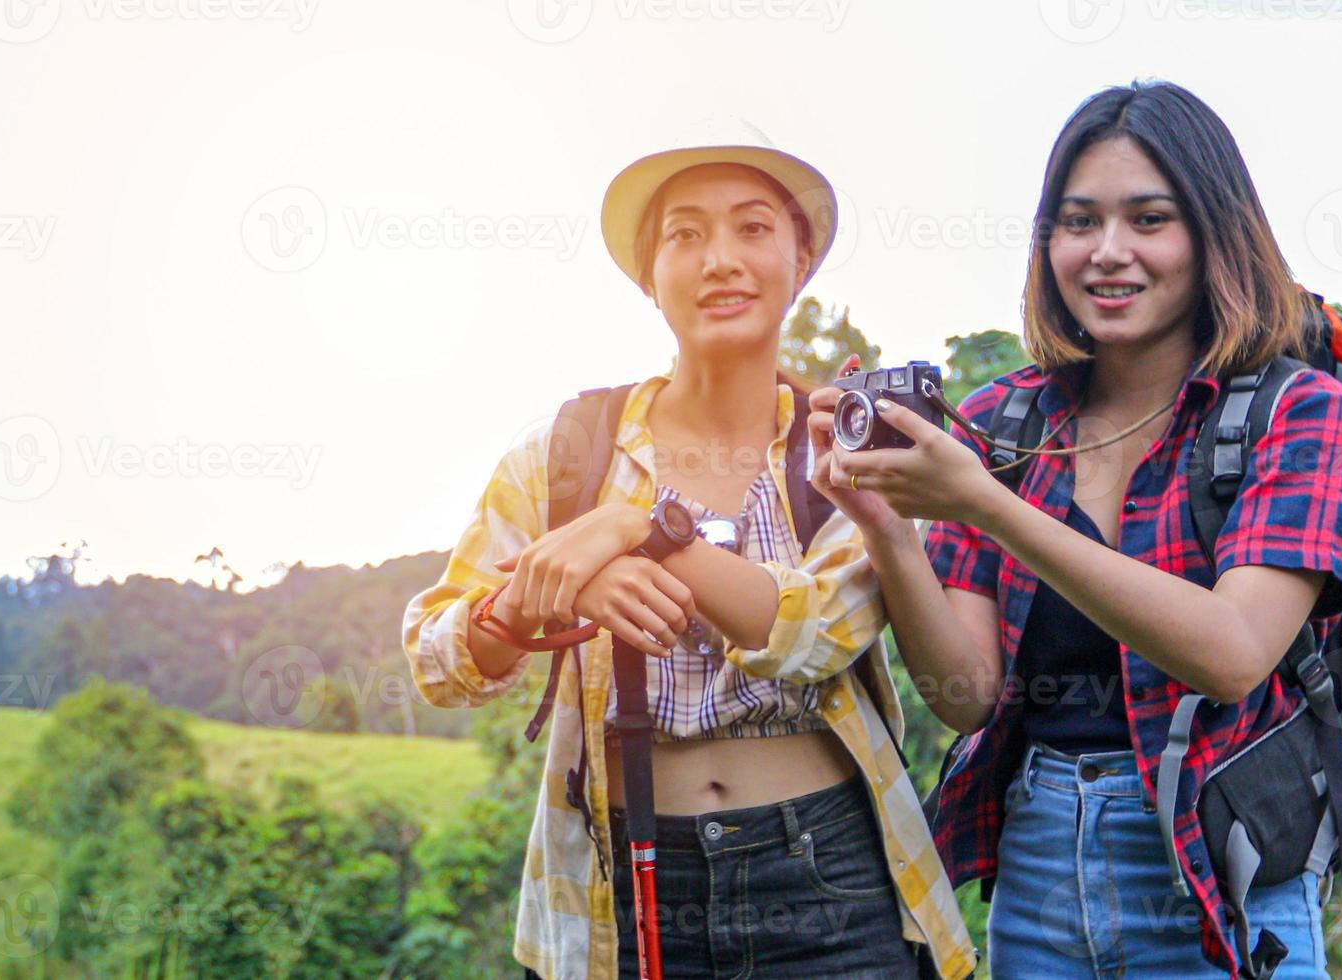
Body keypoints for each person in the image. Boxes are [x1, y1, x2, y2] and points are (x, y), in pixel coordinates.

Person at [809, 80, 1342, 977]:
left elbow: (1230, 651)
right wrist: (881, 523)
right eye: (1078, 223)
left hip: (1217, 876)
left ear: (1213, 233)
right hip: (1033, 870)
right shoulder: (1002, 420)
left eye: (1149, 219)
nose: (1108, 253)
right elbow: (965, 696)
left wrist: (988, 504)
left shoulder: (1297, 413)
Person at [403, 120, 976, 979]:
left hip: (826, 874)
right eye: (685, 235)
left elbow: (815, 635)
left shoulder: (845, 454)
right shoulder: (563, 453)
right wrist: (543, 597)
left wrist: (638, 530)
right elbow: (440, 662)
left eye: (752, 228)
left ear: (801, 262)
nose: (720, 260)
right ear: (648, 275)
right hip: (620, 880)